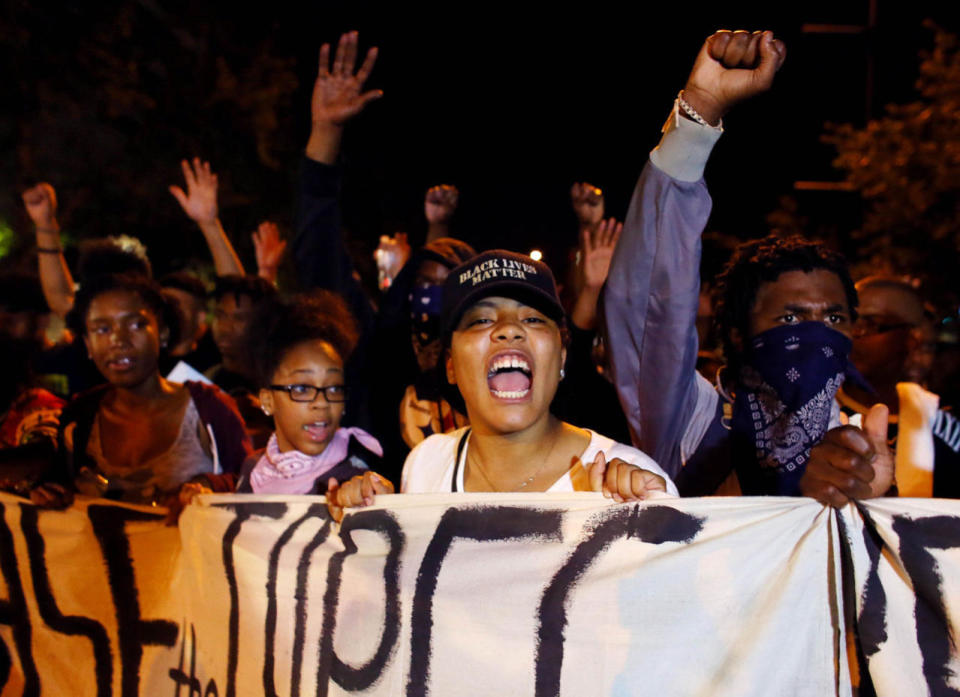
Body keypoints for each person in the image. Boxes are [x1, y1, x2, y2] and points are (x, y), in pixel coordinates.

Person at [602, 29, 893, 507]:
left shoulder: (860, 447)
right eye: (791, 319)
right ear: (737, 333)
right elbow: (654, 298)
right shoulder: (689, 418)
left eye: (835, 318)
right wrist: (699, 114)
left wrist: (871, 502)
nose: (817, 335)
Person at [327, 250, 676, 521]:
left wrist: (644, 528)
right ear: (450, 366)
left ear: (562, 358)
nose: (509, 329)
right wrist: (378, 519)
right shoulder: (425, 464)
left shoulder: (634, 483)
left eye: (533, 319)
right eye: (481, 319)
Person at [30, 273, 250, 507]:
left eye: (136, 325)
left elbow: (254, 484)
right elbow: (58, 485)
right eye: (102, 329)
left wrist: (209, 485)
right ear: (87, 344)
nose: (119, 340)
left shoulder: (208, 408)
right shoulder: (79, 418)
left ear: (163, 333)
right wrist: (50, 494)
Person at [231, 291, 383, 494]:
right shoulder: (254, 470)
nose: (322, 402)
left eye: (334, 388)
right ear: (267, 401)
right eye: (302, 388)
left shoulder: (355, 478)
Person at [840, 276, 960, 496]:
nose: (848, 334)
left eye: (867, 324)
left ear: (911, 338)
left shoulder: (944, 427)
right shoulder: (815, 414)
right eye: (841, 321)